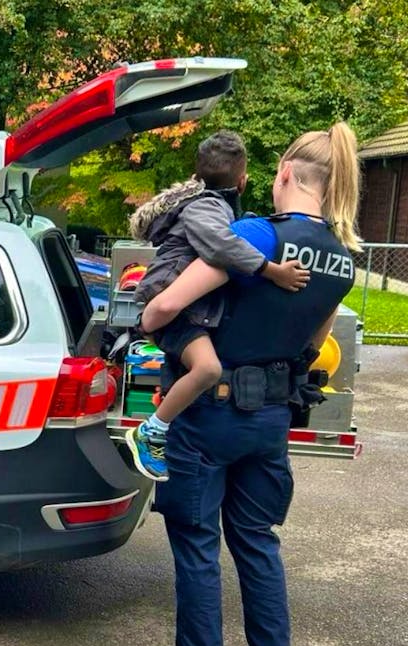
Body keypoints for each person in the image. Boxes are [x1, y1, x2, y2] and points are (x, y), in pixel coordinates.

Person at [140, 122, 362, 646]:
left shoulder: (254, 234)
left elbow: (168, 303)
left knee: (196, 545)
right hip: (271, 421)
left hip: (208, 418)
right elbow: (314, 345)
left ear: (285, 173)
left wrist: (153, 324)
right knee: (258, 543)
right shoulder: (343, 260)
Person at [126, 131, 309, 482]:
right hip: (173, 303)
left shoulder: (213, 206)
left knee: (205, 369)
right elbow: (221, 246)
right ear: (242, 181)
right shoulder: (207, 206)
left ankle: (163, 424)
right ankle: (151, 431)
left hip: (189, 308)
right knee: (208, 369)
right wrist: (273, 272)